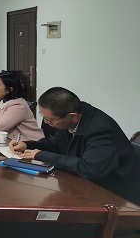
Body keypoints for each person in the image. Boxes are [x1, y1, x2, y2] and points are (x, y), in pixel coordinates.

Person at [10, 87, 140, 205]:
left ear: (72, 116)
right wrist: (28, 144)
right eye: (43, 117)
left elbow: (90, 169)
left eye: (50, 120)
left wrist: (41, 155)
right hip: (84, 185)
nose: (47, 123)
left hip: (117, 197)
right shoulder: (70, 119)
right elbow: (57, 143)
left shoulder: (100, 129)